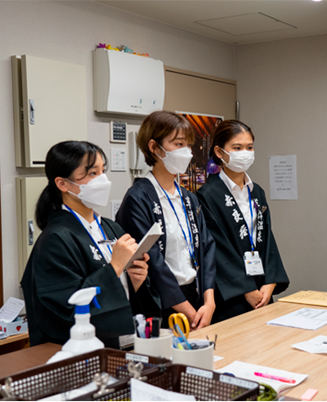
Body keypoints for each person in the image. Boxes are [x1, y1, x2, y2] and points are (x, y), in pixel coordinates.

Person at [21, 141, 160, 348]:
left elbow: (128, 294)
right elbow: (67, 311)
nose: (102, 180)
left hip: (123, 344)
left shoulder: (111, 228)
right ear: (62, 183)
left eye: (103, 171)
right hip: (80, 353)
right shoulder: (55, 240)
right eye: (92, 173)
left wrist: (136, 281)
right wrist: (115, 267)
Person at [116, 111, 216, 330]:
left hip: (197, 298)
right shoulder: (138, 198)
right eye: (178, 144)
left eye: (188, 145)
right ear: (154, 147)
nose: (187, 152)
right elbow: (153, 261)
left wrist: (209, 302)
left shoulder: (188, 197)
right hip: (162, 302)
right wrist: (188, 311)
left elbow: (207, 247)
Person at [197, 120, 289, 323]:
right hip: (232, 293)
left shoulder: (256, 191)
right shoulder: (207, 195)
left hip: (261, 288)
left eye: (249, 147)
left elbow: (267, 239)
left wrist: (270, 281)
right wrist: (246, 289)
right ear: (220, 152)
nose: (245, 153)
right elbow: (216, 247)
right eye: (237, 148)